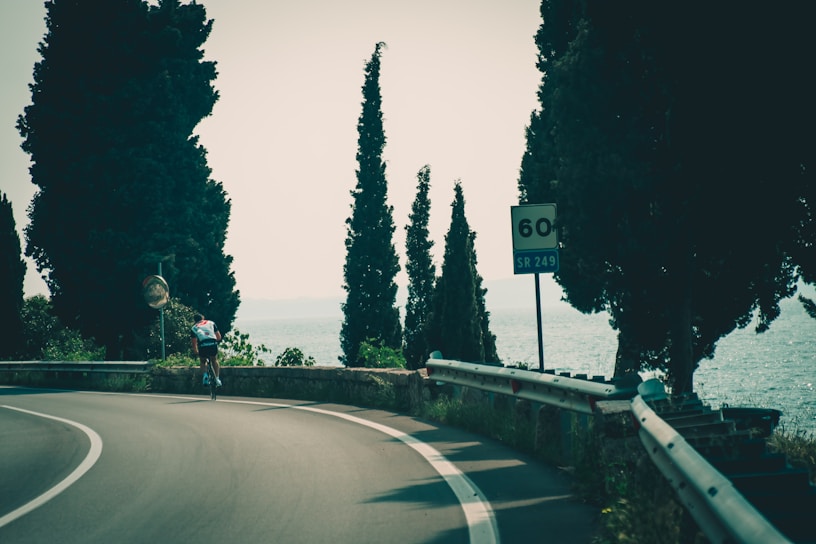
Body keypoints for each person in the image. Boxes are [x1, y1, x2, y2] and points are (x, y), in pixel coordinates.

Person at [191, 314, 222, 387]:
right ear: (203, 318)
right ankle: (217, 379)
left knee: (202, 361)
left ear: (195, 321)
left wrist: (196, 351)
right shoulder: (211, 323)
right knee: (214, 360)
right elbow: (219, 337)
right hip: (212, 343)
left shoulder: (194, 328)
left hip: (202, 345)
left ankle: (205, 376)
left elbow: (194, 342)